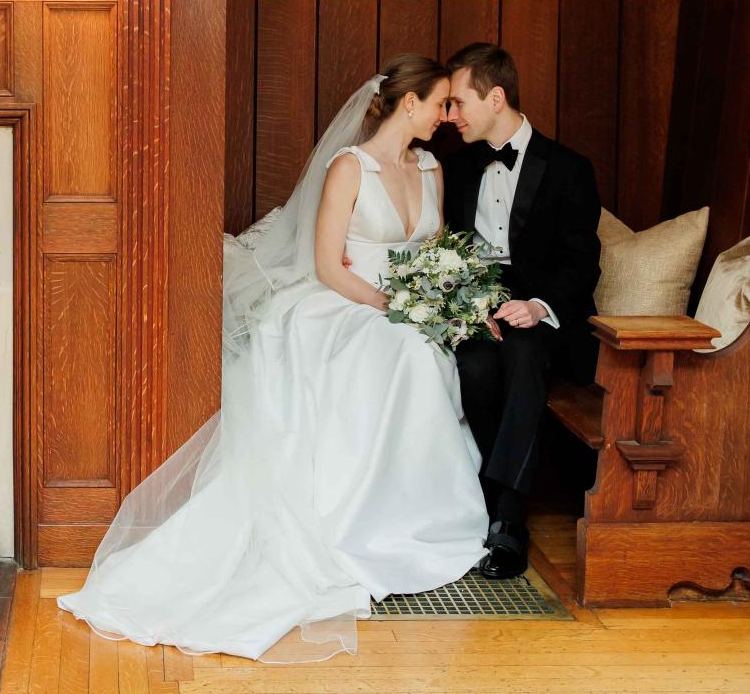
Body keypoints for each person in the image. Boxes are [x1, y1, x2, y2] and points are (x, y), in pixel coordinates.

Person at [56, 55, 488, 663]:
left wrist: (431, 301)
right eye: (441, 102)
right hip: (344, 303)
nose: (447, 116)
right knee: (408, 355)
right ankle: (360, 526)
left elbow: (436, 248)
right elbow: (324, 264)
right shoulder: (349, 167)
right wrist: (388, 304)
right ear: (408, 104)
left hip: (406, 311)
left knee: (422, 352)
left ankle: (421, 520)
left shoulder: (433, 168)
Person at [442, 42, 602, 580]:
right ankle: (495, 502)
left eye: (459, 102)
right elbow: (447, 246)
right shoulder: (458, 166)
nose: (451, 115)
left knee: (526, 357)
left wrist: (537, 307)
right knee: (477, 365)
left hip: (546, 312)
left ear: (495, 97)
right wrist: (474, 304)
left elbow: (582, 266)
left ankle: (508, 518)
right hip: (480, 306)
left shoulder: (568, 168)